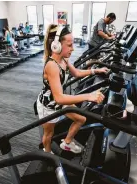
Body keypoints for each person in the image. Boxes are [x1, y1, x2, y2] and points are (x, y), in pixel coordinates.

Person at [37, 24, 109, 154]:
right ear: (57, 45)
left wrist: (95, 70)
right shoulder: (52, 66)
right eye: (69, 45)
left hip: (59, 100)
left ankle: (67, 143)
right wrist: (88, 96)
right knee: (49, 133)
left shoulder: (64, 59)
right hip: (49, 105)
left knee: (81, 119)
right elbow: (59, 98)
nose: (73, 49)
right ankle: (47, 153)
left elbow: (76, 73)